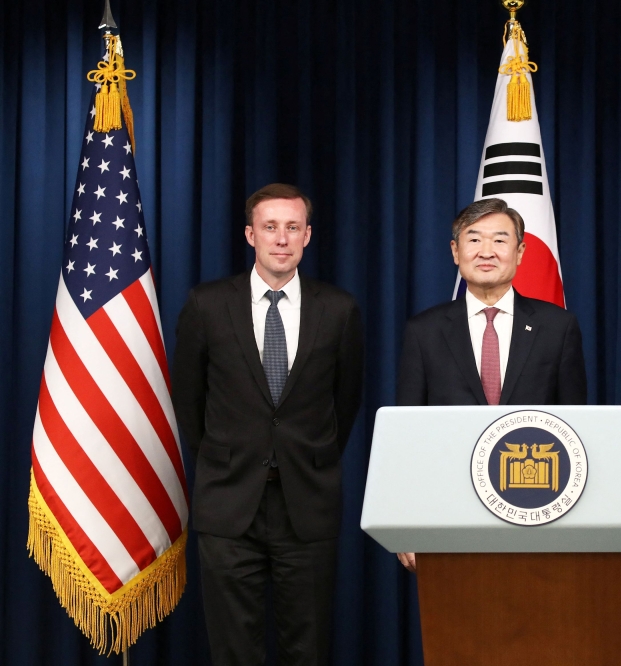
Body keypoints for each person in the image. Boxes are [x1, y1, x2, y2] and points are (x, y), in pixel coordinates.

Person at [171, 183, 363, 665]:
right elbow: (189, 401)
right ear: (249, 235)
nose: (282, 238)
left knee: (309, 648)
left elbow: (348, 401)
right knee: (234, 649)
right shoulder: (207, 304)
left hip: (308, 503)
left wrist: (308, 459)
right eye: (270, 227)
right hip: (229, 504)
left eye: (292, 227)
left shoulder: (338, 310)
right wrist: (224, 458)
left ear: (308, 236)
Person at [395, 197, 587, 571]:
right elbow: (407, 434)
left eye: (500, 240)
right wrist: (407, 522)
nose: (487, 251)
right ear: (455, 251)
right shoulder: (424, 331)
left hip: (538, 510)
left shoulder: (557, 327)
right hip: (446, 515)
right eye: (474, 239)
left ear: (520, 252)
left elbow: (575, 429)